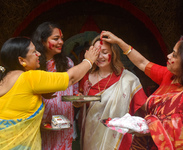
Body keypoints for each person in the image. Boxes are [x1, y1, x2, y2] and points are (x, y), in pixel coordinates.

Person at [100, 31, 183, 149]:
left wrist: (152, 129)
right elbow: (142, 63)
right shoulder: (167, 75)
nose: (168, 56)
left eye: (174, 55)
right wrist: (118, 42)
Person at [0, 37, 99, 150]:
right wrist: (89, 61)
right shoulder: (30, 77)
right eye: (34, 52)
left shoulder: (4, 79)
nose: (38, 54)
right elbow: (70, 78)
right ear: (22, 60)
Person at [78, 35, 147, 150]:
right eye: (96, 52)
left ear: (114, 53)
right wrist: (77, 102)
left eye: (104, 52)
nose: (100, 56)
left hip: (116, 139)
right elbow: (81, 105)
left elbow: (144, 105)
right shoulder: (86, 77)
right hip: (91, 136)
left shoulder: (128, 79)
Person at [32, 22, 79, 150]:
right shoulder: (33, 66)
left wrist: (78, 100)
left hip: (64, 123)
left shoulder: (68, 63)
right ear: (42, 41)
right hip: (40, 125)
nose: (61, 42)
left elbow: (74, 91)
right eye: (56, 38)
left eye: (62, 38)